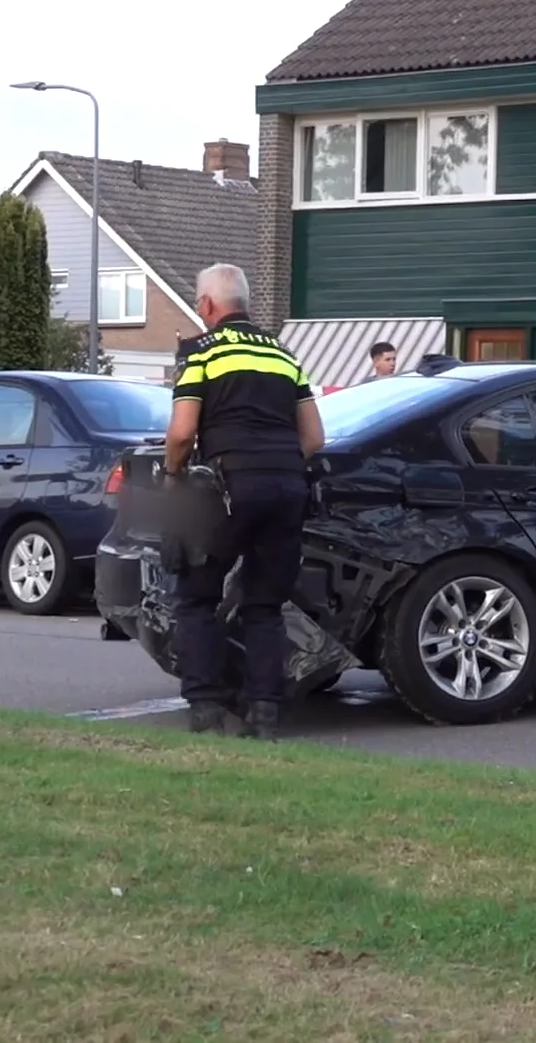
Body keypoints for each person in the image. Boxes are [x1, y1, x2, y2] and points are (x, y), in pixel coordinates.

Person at [162, 263, 325, 740]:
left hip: (227, 488)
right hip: (287, 487)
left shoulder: (201, 354)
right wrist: (276, 460)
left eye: (198, 302)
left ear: (209, 305)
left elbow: (182, 432)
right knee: (265, 605)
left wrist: (173, 475)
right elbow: (314, 436)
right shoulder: (283, 354)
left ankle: (205, 709)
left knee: (196, 597)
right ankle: (265, 716)